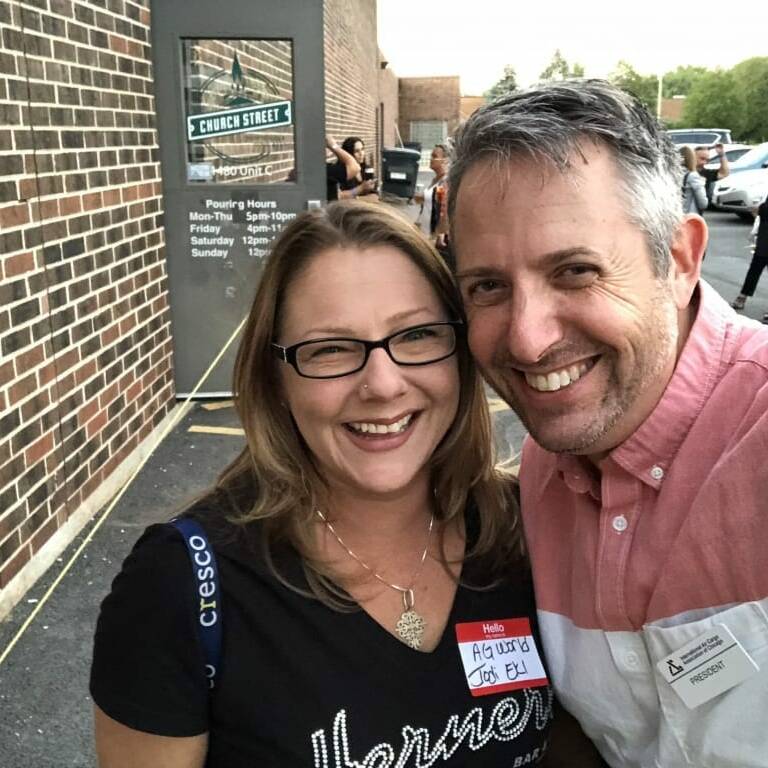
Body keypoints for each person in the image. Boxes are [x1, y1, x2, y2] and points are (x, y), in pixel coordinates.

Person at [90, 202, 602, 767]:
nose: (382, 384)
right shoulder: (183, 587)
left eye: (417, 335)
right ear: (275, 377)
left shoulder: (526, 528)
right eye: (330, 348)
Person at [448, 79, 768, 768]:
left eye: (574, 271)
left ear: (679, 259)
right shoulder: (543, 474)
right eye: (488, 287)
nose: (528, 342)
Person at [731, 193, 768, 321]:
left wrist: (759, 210)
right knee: (754, 269)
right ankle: (742, 296)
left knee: (754, 269)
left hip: (764, 240)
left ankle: (742, 297)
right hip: (764, 239)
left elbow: (764, 210)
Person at [325, 134, 359, 201]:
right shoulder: (326, 170)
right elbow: (355, 167)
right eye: (356, 151)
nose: (361, 154)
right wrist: (333, 146)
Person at [680, 145, 708, 215]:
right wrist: (702, 184)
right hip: (690, 217)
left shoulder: (673, 173)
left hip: (675, 216)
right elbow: (703, 203)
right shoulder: (693, 176)